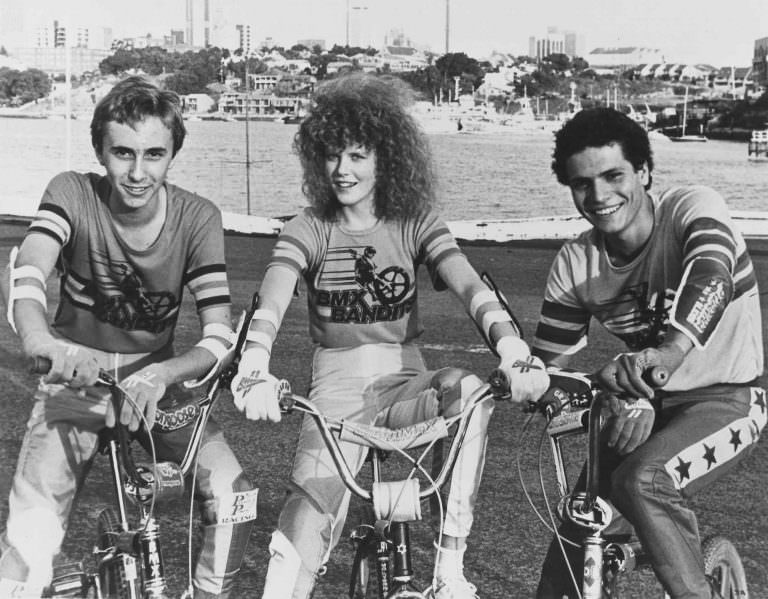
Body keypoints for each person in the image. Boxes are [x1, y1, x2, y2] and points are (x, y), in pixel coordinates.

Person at [229, 72, 550, 599]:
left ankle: (450, 568)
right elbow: (272, 297)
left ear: (385, 157)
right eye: (332, 155)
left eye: (357, 155)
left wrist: (514, 353)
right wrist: (254, 365)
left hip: (407, 384)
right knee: (300, 530)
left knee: (471, 393)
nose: (342, 169)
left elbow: (469, 284)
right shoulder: (307, 227)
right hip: (334, 394)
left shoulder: (415, 220)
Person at [0, 76, 256, 599]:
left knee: (234, 494)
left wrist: (166, 373)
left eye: (154, 154)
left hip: (155, 382)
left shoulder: (198, 216)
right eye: (122, 153)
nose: (138, 172)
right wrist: (44, 344)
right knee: (30, 539)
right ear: (101, 149)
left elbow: (218, 335)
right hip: (75, 378)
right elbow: (28, 274)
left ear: (172, 153)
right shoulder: (71, 191)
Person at [531, 107, 765, 599]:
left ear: (644, 172)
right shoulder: (576, 262)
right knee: (577, 539)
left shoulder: (691, 208)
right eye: (581, 184)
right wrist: (601, 390)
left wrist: (666, 355)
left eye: (613, 175)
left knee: (644, 480)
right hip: (644, 403)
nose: (598, 196)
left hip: (731, 399)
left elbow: (712, 278)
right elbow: (551, 370)